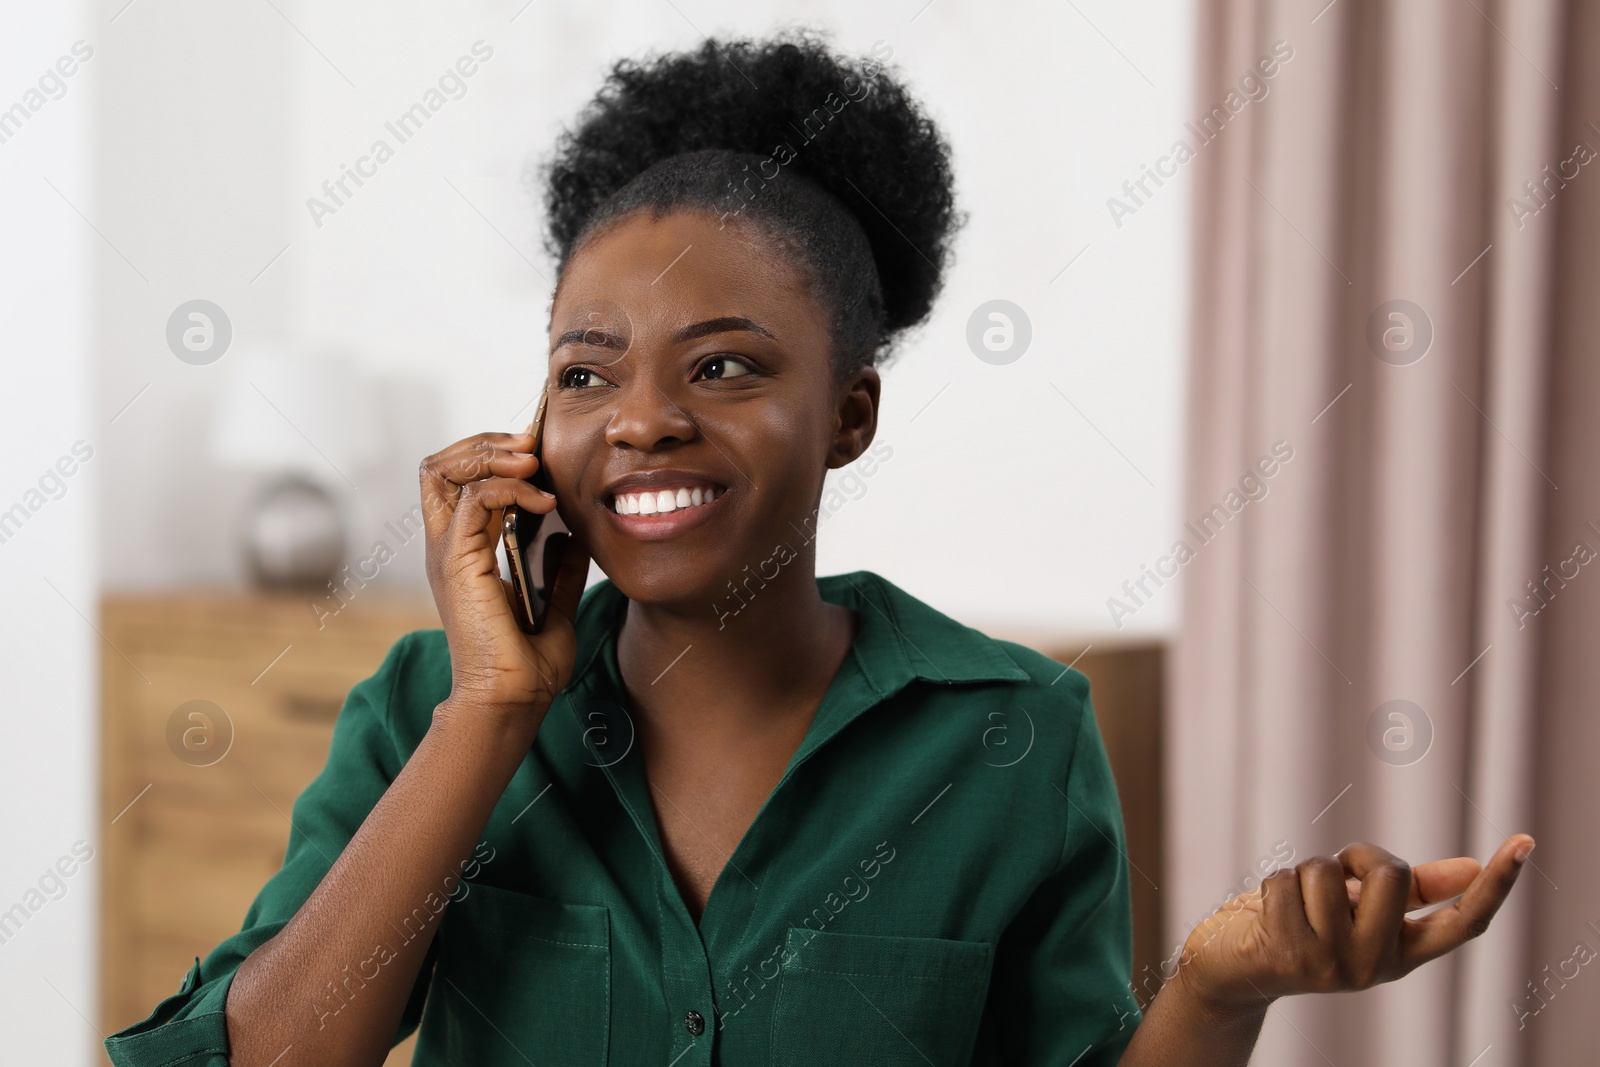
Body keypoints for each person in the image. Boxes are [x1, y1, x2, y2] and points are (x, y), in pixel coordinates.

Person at [103, 32, 1532, 1067]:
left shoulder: (1014, 736)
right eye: (587, 376)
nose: (643, 423)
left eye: (722, 369)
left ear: (848, 415)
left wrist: (1220, 993)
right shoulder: (427, 712)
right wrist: (494, 712)